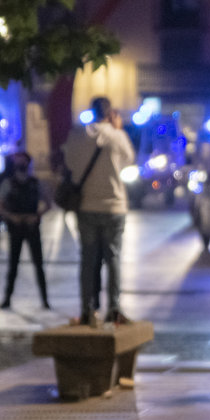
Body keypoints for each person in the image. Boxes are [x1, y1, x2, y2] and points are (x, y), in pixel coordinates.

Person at [62, 96, 136, 326]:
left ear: (91, 111)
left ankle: (87, 310)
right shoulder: (117, 136)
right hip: (114, 205)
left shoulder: (78, 135)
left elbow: (70, 163)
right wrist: (117, 129)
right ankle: (113, 309)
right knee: (113, 258)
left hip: (86, 205)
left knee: (88, 259)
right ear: (110, 113)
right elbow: (128, 160)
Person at [0, 151, 52, 310]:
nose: (21, 164)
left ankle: (45, 300)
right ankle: (7, 298)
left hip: (32, 227)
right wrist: (13, 217)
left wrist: (36, 216)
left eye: (23, 161)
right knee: (13, 265)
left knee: (38, 264)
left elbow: (48, 203)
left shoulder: (35, 183)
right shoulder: (8, 183)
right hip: (16, 228)